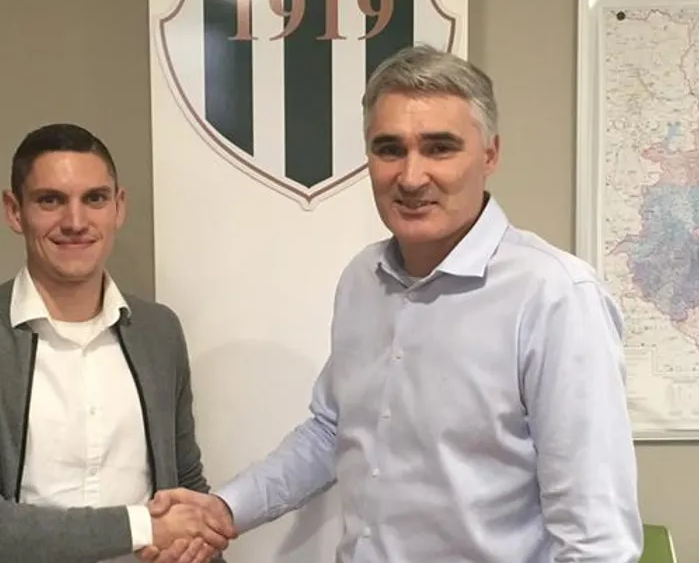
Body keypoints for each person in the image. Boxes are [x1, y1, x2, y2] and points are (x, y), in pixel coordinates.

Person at [144, 45, 643, 563]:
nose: (410, 177)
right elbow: (334, 430)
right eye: (389, 149)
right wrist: (225, 509)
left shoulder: (556, 297)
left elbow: (595, 540)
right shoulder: (363, 280)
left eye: (439, 148)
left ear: (490, 154)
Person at [0, 123, 235, 563]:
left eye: (95, 199)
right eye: (51, 200)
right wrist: (143, 527)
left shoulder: (159, 333)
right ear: (14, 211)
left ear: (119, 207)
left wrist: (197, 543)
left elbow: (187, 488)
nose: (76, 222)